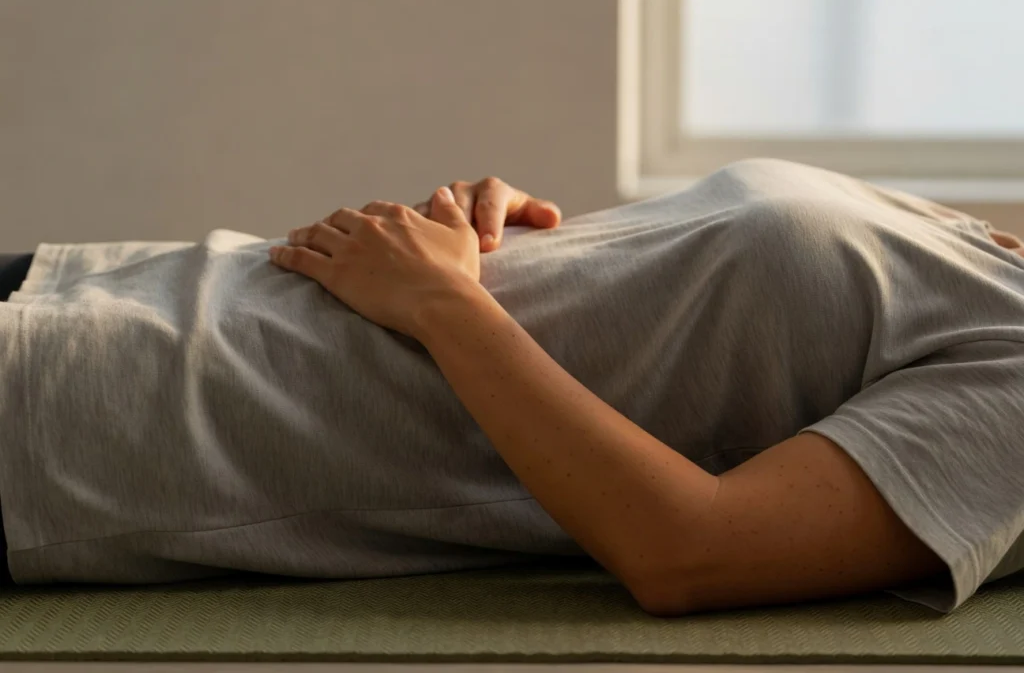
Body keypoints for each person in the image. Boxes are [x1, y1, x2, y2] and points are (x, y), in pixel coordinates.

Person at [0, 158, 1021, 617]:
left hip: (95, 420)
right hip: (114, 287)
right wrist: (500, 237)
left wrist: (446, 302)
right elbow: (678, 329)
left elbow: (692, 550)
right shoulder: (981, 249)